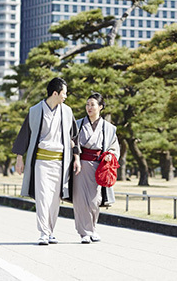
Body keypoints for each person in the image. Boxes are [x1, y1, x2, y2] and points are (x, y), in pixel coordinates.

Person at [12, 77, 80, 245]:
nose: (66, 96)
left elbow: (74, 137)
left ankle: (51, 231)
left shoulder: (67, 112)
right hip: (41, 161)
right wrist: (19, 158)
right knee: (43, 197)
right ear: (55, 93)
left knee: (56, 198)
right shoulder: (35, 111)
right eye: (64, 93)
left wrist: (76, 157)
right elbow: (25, 135)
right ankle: (43, 232)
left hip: (60, 162)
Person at [73, 92, 120, 244]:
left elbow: (114, 147)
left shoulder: (109, 128)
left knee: (95, 200)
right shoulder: (78, 124)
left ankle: (92, 228)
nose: (89, 107)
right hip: (80, 164)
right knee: (80, 200)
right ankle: (84, 233)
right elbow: (72, 143)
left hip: (98, 166)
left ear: (100, 107)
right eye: (87, 104)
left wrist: (110, 155)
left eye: (92, 105)